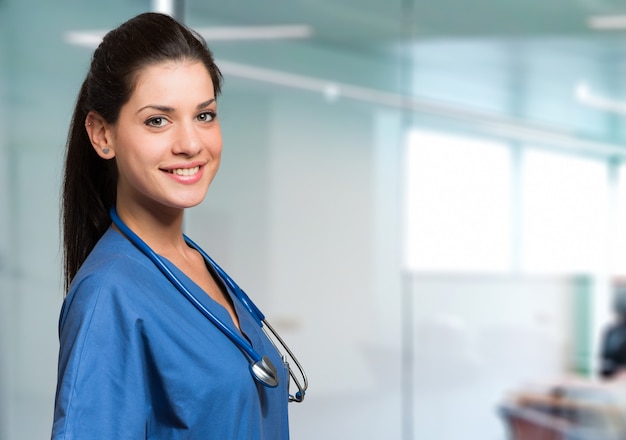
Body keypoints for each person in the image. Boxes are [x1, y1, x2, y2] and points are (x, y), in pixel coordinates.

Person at [52, 12, 296, 439]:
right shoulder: (109, 295)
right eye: (157, 120)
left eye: (204, 115)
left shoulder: (196, 265)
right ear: (102, 135)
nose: (190, 144)